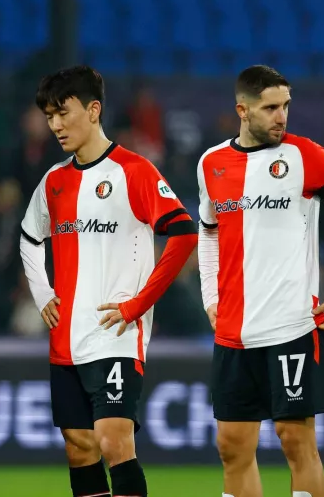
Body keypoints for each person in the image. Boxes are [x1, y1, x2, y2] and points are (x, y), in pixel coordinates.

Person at [19, 66, 198, 497]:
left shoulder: (133, 171)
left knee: (113, 440)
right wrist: (43, 292)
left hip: (116, 332)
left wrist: (138, 305)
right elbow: (28, 237)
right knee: (79, 447)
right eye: (48, 115)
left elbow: (184, 233)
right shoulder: (54, 181)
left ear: (94, 110)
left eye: (63, 112)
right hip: (66, 335)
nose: (55, 124)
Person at [196, 65, 324, 497]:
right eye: (271, 107)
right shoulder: (212, 163)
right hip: (234, 330)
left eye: (286, 106)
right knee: (232, 447)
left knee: (296, 442)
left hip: (292, 327)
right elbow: (208, 230)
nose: (282, 116)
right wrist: (208, 295)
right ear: (243, 109)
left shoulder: (306, 157)